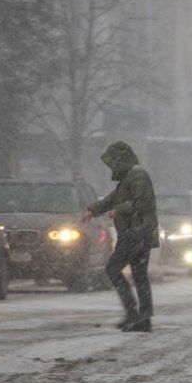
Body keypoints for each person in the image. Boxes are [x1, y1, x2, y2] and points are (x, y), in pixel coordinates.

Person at [82, 141, 158, 333]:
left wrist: (120, 209)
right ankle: (142, 318)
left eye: (114, 161)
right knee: (139, 276)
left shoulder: (138, 176)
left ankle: (135, 315)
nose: (112, 166)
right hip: (134, 234)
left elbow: (143, 205)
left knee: (113, 269)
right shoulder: (129, 178)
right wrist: (93, 210)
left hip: (136, 233)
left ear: (122, 159)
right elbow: (113, 198)